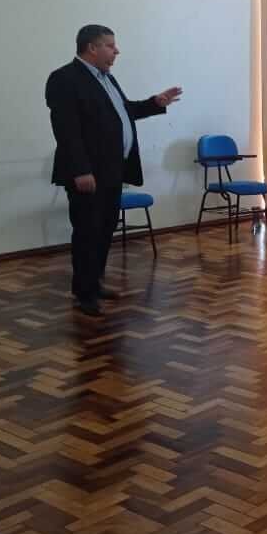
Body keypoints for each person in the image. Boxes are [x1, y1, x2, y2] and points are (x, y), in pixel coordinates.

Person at [45, 24, 182, 317]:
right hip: (87, 174)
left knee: (105, 230)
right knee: (87, 232)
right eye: (110, 45)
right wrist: (81, 170)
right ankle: (84, 293)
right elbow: (67, 131)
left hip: (111, 171)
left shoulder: (107, 78)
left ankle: (94, 283)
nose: (116, 51)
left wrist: (155, 103)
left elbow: (124, 111)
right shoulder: (64, 79)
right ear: (92, 48)